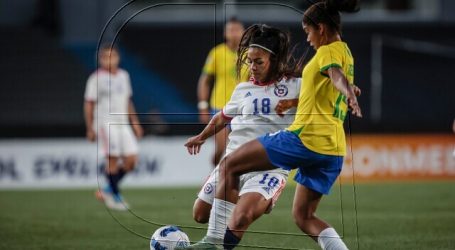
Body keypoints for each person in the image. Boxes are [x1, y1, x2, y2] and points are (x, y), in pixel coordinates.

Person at [182, 0, 362, 249]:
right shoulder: (345, 52)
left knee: (232, 175)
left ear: (320, 28)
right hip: (332, 147)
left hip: (300, 142)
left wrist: (347, 91)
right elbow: (329, 84)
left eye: (308, 31)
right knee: (303, 216)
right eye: (249, 61)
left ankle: (214, 242)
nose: (307, 38)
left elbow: (334, 75)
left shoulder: (325, 54)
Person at [179, 24, 303, 250]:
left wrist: (297, 102)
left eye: (258, 62)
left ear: (274, 60)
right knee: (199, 215)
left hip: (269, 167)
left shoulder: (296, 85)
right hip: (233, 159)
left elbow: (321, 97)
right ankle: (227, 201)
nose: (252, 67)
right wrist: (201, 137)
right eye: (249, 61)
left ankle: (218, 240)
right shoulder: (242, 89)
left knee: (242, 217)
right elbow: (222, 118)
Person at [84, 45, 143, 211]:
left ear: (118, 58)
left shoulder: (124, 76)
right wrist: (89, 127)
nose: (110, 60)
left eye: (113, 56)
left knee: (132, 161)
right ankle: (115, 196)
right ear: (100, 59)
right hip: (105, 122)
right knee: (113, 159)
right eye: (105, 57)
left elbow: (128, 101)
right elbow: (89, 103)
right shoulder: (96, 78)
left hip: (123, 122)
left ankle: (108, 188)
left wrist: (135, 123)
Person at [197, 17, 249, 167]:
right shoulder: (217, 53)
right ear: (225, 33)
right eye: (230, 30)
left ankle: (228, 179)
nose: (234, 34)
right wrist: (202, 106)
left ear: (243, 33)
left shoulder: (249, 54)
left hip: (242, 108)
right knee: (221, 148)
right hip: (220, 106)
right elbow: (205, 81)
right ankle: (215, 174)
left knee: (239, 150)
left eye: (237, 30)